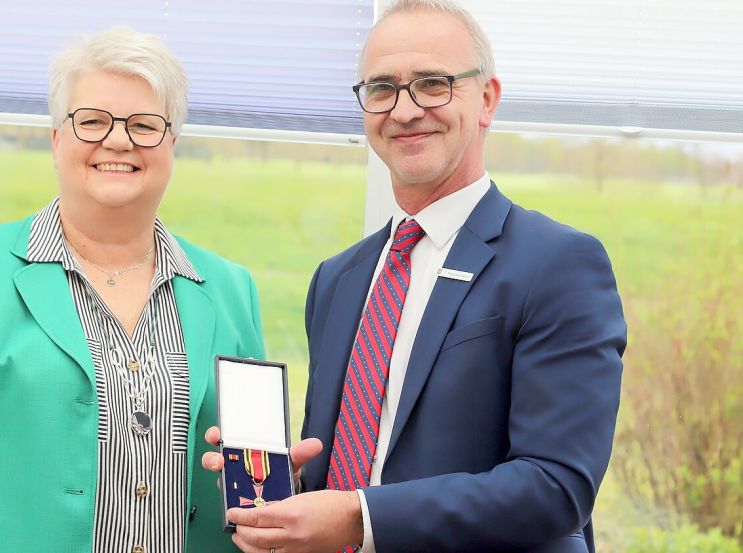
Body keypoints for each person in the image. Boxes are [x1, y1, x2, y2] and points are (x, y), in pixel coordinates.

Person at [203, 1, 626, 551]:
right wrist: (283, 491)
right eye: (382, 88)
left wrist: (359, 516)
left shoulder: (558, 264)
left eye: (432, 84)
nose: (404, 110)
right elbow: (352, 467)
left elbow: (556, 487)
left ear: (487, 99)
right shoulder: (338, 280)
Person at [0, 26, 264, 553]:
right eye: (93, 121)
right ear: (57, 139)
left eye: (145, 125)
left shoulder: (231, 289)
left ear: (172, 145)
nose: (118, 140)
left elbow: (257, 478)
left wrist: (277, 494)